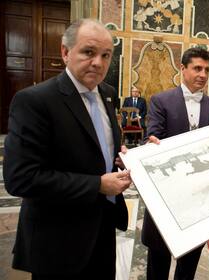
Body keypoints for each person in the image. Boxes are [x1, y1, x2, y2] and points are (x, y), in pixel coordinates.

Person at [3, 19, 132, 280]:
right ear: (65, 52)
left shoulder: (107, 93)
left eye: (106, 55)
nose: (98, 62)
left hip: (102, 228)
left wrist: (123, 156)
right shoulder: (35, 101)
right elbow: (21, 178)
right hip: (58, 239)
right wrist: (97, 184)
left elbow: (95, 146)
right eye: (89, 52)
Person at [142, 47, 209, 280]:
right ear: (182, 68)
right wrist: (151, 144)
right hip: (167, 190)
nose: (203, 74)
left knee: (190, 256)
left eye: (206, 69)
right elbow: (151, 137)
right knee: (158, 256)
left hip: (198, 194)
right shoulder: (161, 100)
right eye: (197, 68)